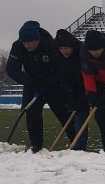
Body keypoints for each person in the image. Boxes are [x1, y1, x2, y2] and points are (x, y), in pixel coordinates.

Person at [5, 20, 71, 152]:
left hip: (53, 84)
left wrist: (50, 82)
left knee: (63, 112)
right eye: (24, 43)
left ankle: (76, 140)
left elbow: (62, 68)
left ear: (38, 39)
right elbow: (12, 69)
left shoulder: (51, 45)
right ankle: (36, 144)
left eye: (30, 43)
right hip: (32, 83)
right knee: (31, 112)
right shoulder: (18, 46)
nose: (27, 46)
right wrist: (31, 82)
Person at [55, 28, 89, 150]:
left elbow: (88, 74)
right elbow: (62, 77)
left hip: (86, 86)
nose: (65, 51)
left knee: (81, 115)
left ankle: (80, 147)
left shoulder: (82, 52)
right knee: (73, 115)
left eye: (67, 48)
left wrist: (83, 96)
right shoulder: (58, 56)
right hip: (71, 88)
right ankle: (77, 145)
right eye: (62, 48)